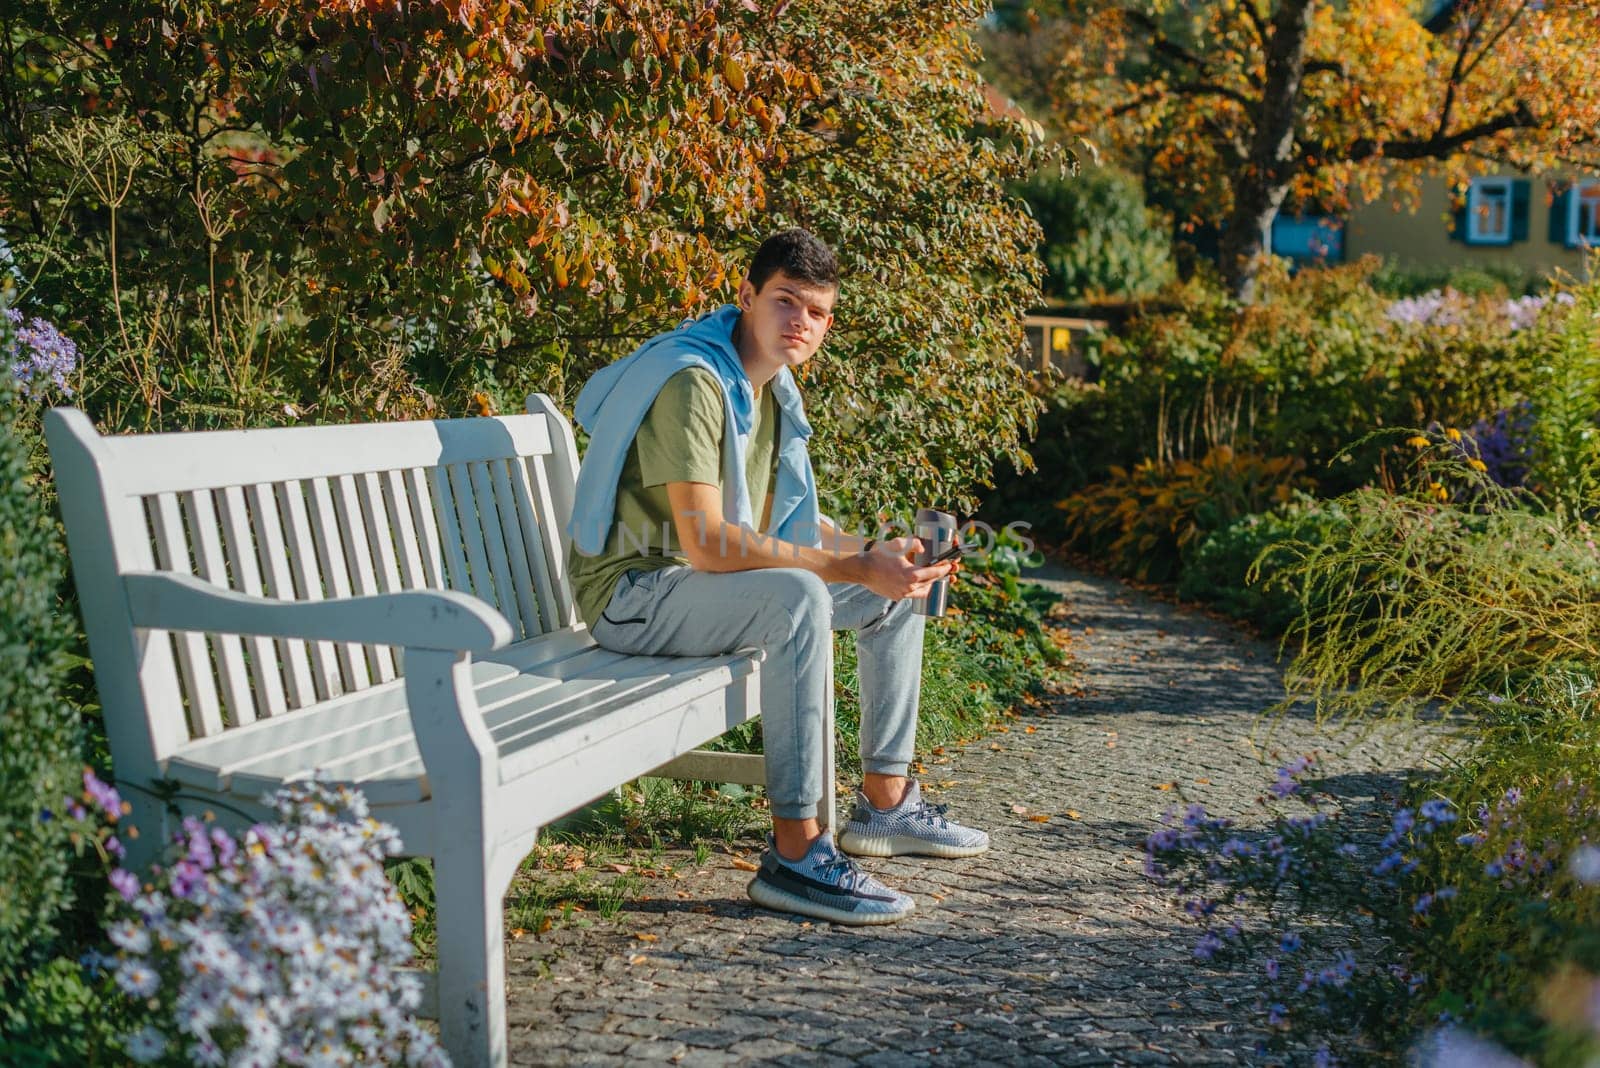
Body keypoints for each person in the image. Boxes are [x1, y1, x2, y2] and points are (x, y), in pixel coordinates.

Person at [567, 228, 989, 925]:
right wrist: (844, 565)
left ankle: (884, 806)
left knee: (888, 595)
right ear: (746, 296)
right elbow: (706, 541)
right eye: (786, 301)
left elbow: (784, 528)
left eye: (817, 312)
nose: (801, 322)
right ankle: (798, 855)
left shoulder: (766, 388)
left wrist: (876, 558)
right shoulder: (696, 382)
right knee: (800, 596)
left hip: (696, 592)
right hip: (633, 596)